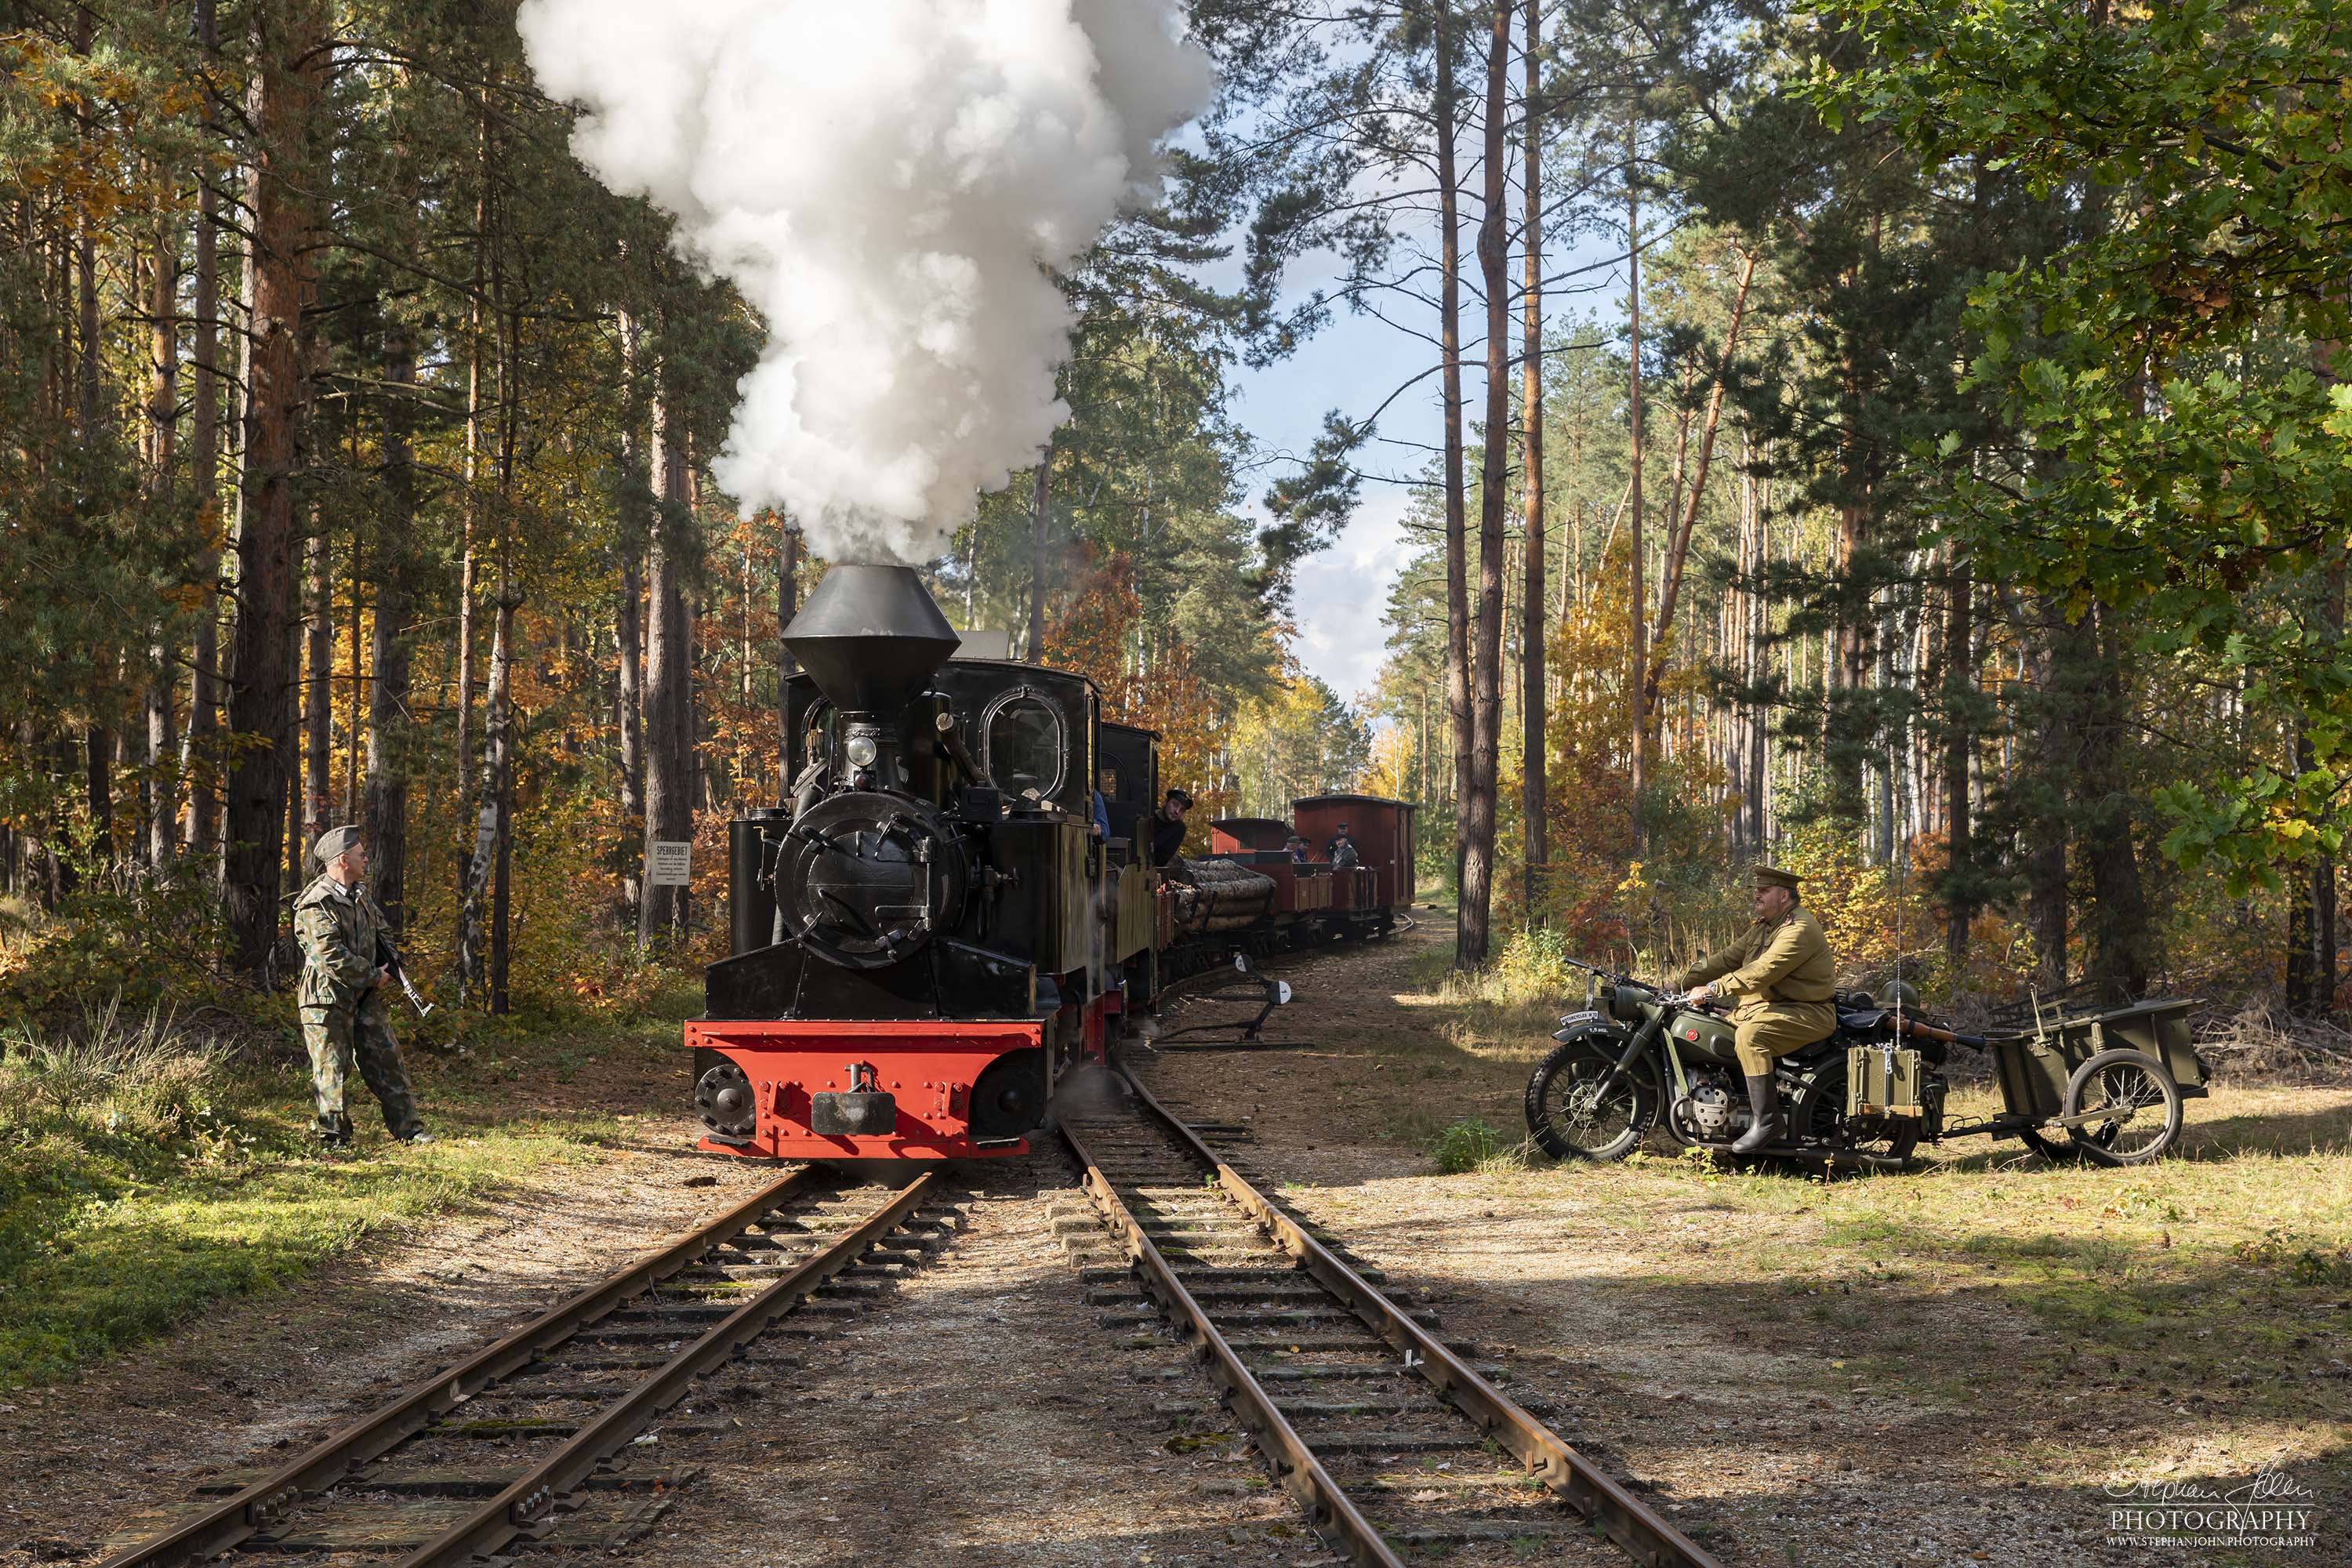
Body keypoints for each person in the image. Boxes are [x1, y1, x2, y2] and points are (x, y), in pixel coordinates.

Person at [1675, 865, 1835, 1155]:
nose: (1757, 896)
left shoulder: (1799, 928)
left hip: (1805, 1012)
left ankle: (1768, 1122)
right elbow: (1724, 961)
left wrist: (1713, 989)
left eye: (1764, 891)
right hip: (1765, 1009)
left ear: (1784, 896)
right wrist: (1678, 984)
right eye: (1757, 891)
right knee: (1712, 1029)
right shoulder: (1763, 928)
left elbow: (1764, 970)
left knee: (1751, 1038)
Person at [296, 826, 430, 1150]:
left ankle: (409, 1130)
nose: (367, 859)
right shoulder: (317, 904)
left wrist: (391, 965)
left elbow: (383, 932)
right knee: (332, 1068)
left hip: (363, 996)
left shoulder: (361, 895)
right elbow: (329, 956)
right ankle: (334, 1137)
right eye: (361, 855)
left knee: (387, 1059)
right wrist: (372, 975)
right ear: (343, 860)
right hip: (326, 998)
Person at [1149, 787, 1192, 868]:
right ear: (1165, 802)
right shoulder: (1147, 816)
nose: (1177, 811)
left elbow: (1161, 861)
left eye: (1182, 810)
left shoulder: (1179, 829)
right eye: (1175, 805)